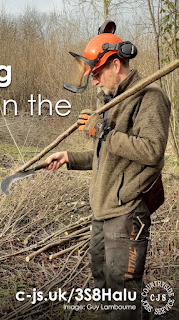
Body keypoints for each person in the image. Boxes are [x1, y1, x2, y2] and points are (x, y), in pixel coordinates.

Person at [45, 33, 171, 320]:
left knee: (123, 292)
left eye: (98, 73)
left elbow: (152, 151)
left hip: (127, 212)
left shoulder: (150, 98)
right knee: (102, 280)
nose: (95, 81)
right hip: (102, 211)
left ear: (116, 64)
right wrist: (69, 157)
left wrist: (101, 130)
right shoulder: (113, 101)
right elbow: (108, 156)